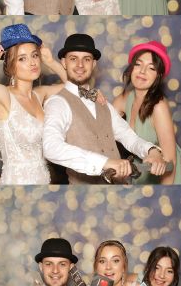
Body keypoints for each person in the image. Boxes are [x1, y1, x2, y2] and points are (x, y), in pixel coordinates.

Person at [42, 33, 167, 184]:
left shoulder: (102, 103)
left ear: (93, 64)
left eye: (86, 59)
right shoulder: (57, 103)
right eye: (73, 59)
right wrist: (104, 163)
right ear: (64, 62)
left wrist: (152, 151)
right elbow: (51, 147)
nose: (80, 65)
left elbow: (128, 136)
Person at [0, 24, 67, 184]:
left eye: (34, 55)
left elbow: (76, 90)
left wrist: (51, 62)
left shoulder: (40, 95)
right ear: (10, 66)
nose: (32, 62)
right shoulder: (3, 96)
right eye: (22, 58)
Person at [113, 41, 181, 184]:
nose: (142, 71)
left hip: (170, 179)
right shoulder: (126, 98)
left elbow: (171, 162)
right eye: (138, 64)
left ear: (158, 76)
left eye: (151, 68)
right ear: (131, 68)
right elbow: (103, 122)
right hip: (143, 174)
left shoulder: (158, 107)